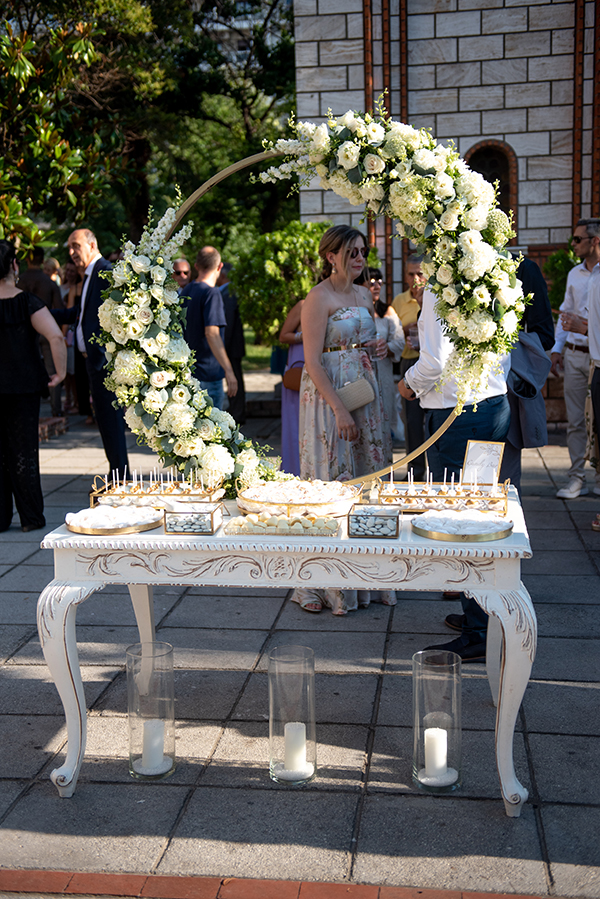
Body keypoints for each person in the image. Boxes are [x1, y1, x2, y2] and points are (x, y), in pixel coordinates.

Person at [399, 287, 510, 661]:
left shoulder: (442, 287)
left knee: (460, 521)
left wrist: (408, 383)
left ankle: (479, 629)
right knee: (478, 512)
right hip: (492, 403)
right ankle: (481, 614)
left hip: (456, 414)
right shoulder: (491, 274)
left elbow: (434, 361)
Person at [293, 224, 394, 614]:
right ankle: (321, 587)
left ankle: (367, 580)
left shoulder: (363, 295)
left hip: (366, 393)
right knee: (333, 480)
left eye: (362, 252)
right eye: (352, 252)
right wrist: (337, 407)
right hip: (329, 394)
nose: (360, 259)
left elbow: (363, 340)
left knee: (367, 475)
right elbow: (313, 361)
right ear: (330, 255)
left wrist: (379, 347)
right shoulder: (317, 299)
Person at [0, 240, 67, 531]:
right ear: (14, 265)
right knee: (24, 452)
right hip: (23, 387)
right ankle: (31, 518)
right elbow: (55, 336)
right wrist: (60, 374)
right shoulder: (26, 302)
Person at [63, 229, 129, 478]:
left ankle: (120, 481)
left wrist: (103, 355)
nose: (71, 252)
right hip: (92, 363)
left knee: (111, 425)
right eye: (70, 247)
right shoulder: (89, 274)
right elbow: (79, 315)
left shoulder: (104, 271)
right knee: (105, 424)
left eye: (76, 246)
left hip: (103, 365)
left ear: (92, 245)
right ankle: (117, 478)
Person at [551, 218, 600, 499]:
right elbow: (565, 312)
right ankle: (576, 478)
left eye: (577, 239)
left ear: (595, 241)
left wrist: (586, 325)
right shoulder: (574, 274)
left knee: (599, 421)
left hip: (598, 359)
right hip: (574, 355)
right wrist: (558, 348)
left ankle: (599, 478)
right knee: (575, 422)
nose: (573, 244)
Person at [499, 256, 555, 493]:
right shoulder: (454, 267)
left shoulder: (523, 269)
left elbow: (545, 335)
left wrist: (507, 344)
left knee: (505, 483)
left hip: (506, 388)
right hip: (459, 391)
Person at [181, 246, 238, 410]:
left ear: (196, 266)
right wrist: (229, 370)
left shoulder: (186, 290)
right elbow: (212, 333)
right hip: (209, 374)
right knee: (211, 431)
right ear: (219, 267)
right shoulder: (211, 293)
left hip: (189, 372)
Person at [17, 246, 64, 417]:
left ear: (27, 259)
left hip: (23, 332)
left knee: (24, 369)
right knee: (54, 371)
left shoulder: (18, 282)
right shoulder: (49, 283)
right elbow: (60, 309)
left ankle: (26, 411)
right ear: (42, 261)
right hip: (46, 330)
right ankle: (56, 410)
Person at [392, 255, 427, 479]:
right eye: (410, 274)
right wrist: (406, 330)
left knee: (435, 418)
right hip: (410, 362)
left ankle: (440, 470)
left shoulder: (435, 298)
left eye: (419, 273)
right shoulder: (399, 301)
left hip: (433, 363)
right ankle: (415, 471)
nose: (415, 278)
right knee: (412, 422)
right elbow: (392, 333)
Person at [368, 267, 405, 460]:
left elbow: (400, 341)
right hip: (360, 375)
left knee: (384, 423)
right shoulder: (355, 310)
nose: (375, 286)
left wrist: (385, 347)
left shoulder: (387, 311)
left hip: (382, 373)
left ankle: (385, 469)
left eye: (379, 282)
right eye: (371, 282)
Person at [218, 262, 246, 424]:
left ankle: (237, 413)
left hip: (231, 346)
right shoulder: (228, 292)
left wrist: (222, 346)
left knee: (234, 379)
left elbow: (227, 323)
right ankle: (237, 410)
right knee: (235, 379)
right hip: (233, 345)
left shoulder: (228, 293)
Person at [279, 299, 305, 476]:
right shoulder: (304, 304)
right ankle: (293, 473)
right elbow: (283, 336)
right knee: (295, 426)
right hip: (299, 369)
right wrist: (304, 336)